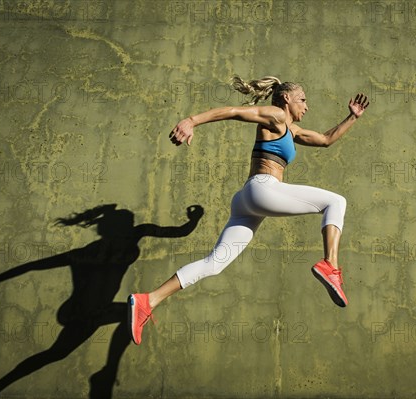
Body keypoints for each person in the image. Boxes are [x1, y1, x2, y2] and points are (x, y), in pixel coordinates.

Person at [128, 76, 369, 345]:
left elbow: (325, 139)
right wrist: (191, 121)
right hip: (263, 190)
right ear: (286, 99)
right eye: (303, 99)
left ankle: (148, 301)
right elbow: (234, 112)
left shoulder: (292, 130)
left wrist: (352, 117)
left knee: (214, 263)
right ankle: (330, 266)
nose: (307, 106)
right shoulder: (275, 115)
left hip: (247, 201)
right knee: (336, 202)